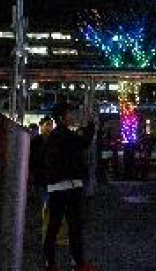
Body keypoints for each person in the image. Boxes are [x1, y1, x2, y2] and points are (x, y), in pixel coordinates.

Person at [42, 102, 97, 271]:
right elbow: (84, 143)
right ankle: (78, 264)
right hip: (69, 188)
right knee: (74, 227)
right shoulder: (64, 135)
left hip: (56, 188)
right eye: (68, 114)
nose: (71, 116)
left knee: (53, 227)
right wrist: (91, 125)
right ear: (61, 117)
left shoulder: (54, 136)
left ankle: (51, 263)